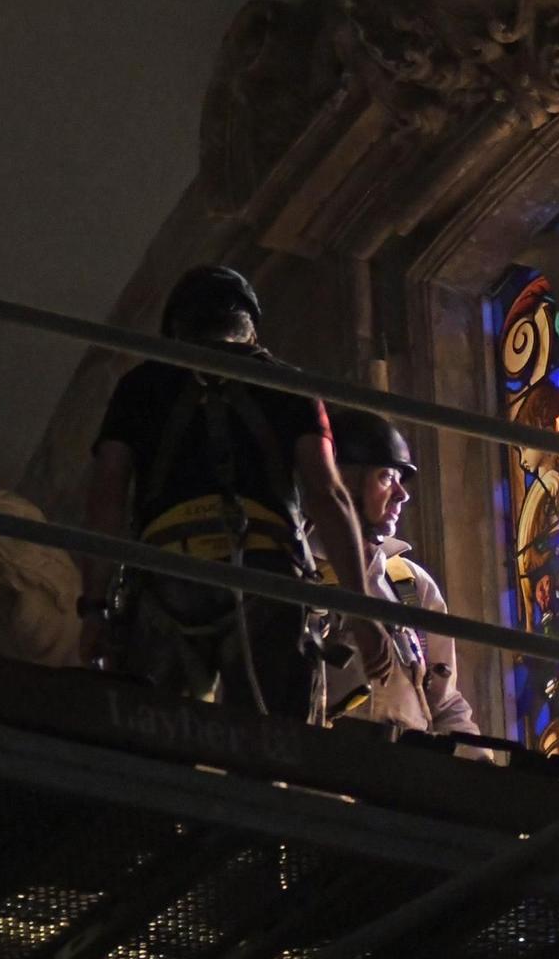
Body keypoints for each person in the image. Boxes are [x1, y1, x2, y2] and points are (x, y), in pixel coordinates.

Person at [77, 265, 392, 715]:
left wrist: (94, 609)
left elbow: (106, 495)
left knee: (155, 745)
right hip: (266, 573)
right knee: (273, 750)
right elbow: (328, 494)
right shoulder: (291, 386)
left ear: (174, 329)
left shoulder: (139, 386)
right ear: (250, 330)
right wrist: (362, 611)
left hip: (168, 569)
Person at [317, 407, 479, 739]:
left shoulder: (409, 582)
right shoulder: (298, 572)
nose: (402, 494)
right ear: (342, 480)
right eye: (386, 477)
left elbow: (444, 705)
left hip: (410, 775)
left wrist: (478, 765)